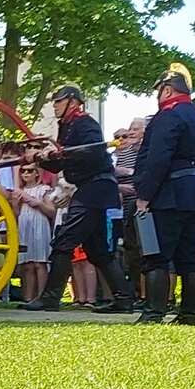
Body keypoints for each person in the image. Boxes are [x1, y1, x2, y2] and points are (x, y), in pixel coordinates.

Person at [21, 86, 135, 312]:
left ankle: (51, 298)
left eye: (58, 101)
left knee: (64, 241)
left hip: (96, 188)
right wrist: (41, 160)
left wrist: (59, 153)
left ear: (73, 102)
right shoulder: (67, 127)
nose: (54, 105)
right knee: (99, 251)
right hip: (93, 189)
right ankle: (124, 299)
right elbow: (62, 163)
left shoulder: (85, 123)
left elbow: (90, 152)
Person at [132, 68, 195, 324]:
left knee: (157, 254)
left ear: (167, 90)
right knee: (191, 257)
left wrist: (145, 194)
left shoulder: (168, 115)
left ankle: (153, 313)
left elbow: (158, 159)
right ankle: (189, 314)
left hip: (169, 193)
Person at [12, 165, 55, 303]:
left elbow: (51, 211)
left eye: (29, 171)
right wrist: (15, 204)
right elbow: (16, 214)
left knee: (39, 262)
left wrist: (37, 203)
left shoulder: (44, 189)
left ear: (37, 173)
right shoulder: (19, 191)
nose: (25, 173)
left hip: (39, 224)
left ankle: (41, 296)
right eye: (23, 171)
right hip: (24, 224)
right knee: (27, 264)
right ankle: (28, 297)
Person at [114, 118, 146, 302]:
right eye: (129, 131)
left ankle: (147, 294)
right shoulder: (121, 154)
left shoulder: (143, 150)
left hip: (140, 204)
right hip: (124, 207)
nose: (130, 134)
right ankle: (134, 292)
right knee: (130, 250)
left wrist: (128, 173)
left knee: (144, 249)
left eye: (135, 130)